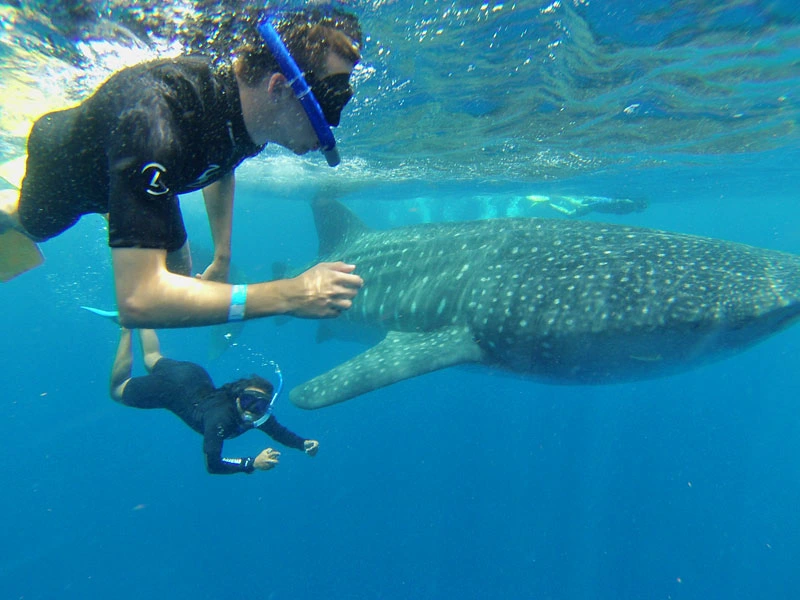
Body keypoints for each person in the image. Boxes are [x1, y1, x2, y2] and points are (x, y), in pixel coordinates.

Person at [0, 7, 364, 329]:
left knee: (179, 275)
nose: (331, 125)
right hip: (68, 171)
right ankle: (9, 203)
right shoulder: (155, 119)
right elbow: (138, 302)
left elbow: (223, 161)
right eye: (330, 100)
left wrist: (223, 256)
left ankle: (124, 211)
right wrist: (291, 295)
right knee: (35, 227)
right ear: (279, 87)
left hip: (147, 170)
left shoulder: (257, 112)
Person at [110, 327, 319, 475]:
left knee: (152, 357)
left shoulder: (260, 415)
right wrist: (252, 463)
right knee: (117, 390)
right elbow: (213, 464)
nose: (251, 410)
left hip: (192, 374)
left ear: (266, 406)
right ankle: (126, 328)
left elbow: (279, 432)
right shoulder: (219, 421)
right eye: (247, 402)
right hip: (170, 389)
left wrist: (302, 444)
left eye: (260, 406)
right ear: (238, 397)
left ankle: (143, 319)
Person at [527, 194, 648, 218]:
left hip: (595, 207)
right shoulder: (628, 203)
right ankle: (555, 195)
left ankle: (548, 203)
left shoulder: (629, 209)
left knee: (571, 215)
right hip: (595, 203)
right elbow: (609, 202)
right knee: (574, 203)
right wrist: (590, 205)